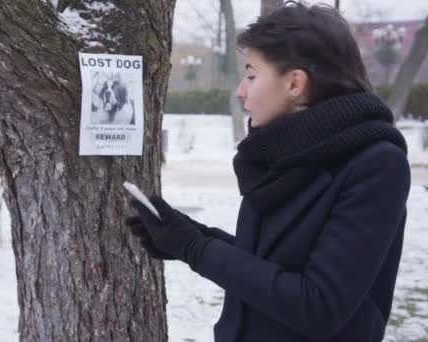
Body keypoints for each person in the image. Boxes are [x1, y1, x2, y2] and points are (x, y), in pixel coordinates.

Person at [126, 2, 410, 341]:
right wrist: (192, 236)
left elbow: (317, 306)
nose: (240, 90)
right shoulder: (275, 152)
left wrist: (197, 249)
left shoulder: (376, 165)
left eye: (251, 74)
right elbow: (273, 264)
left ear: (294, 84)